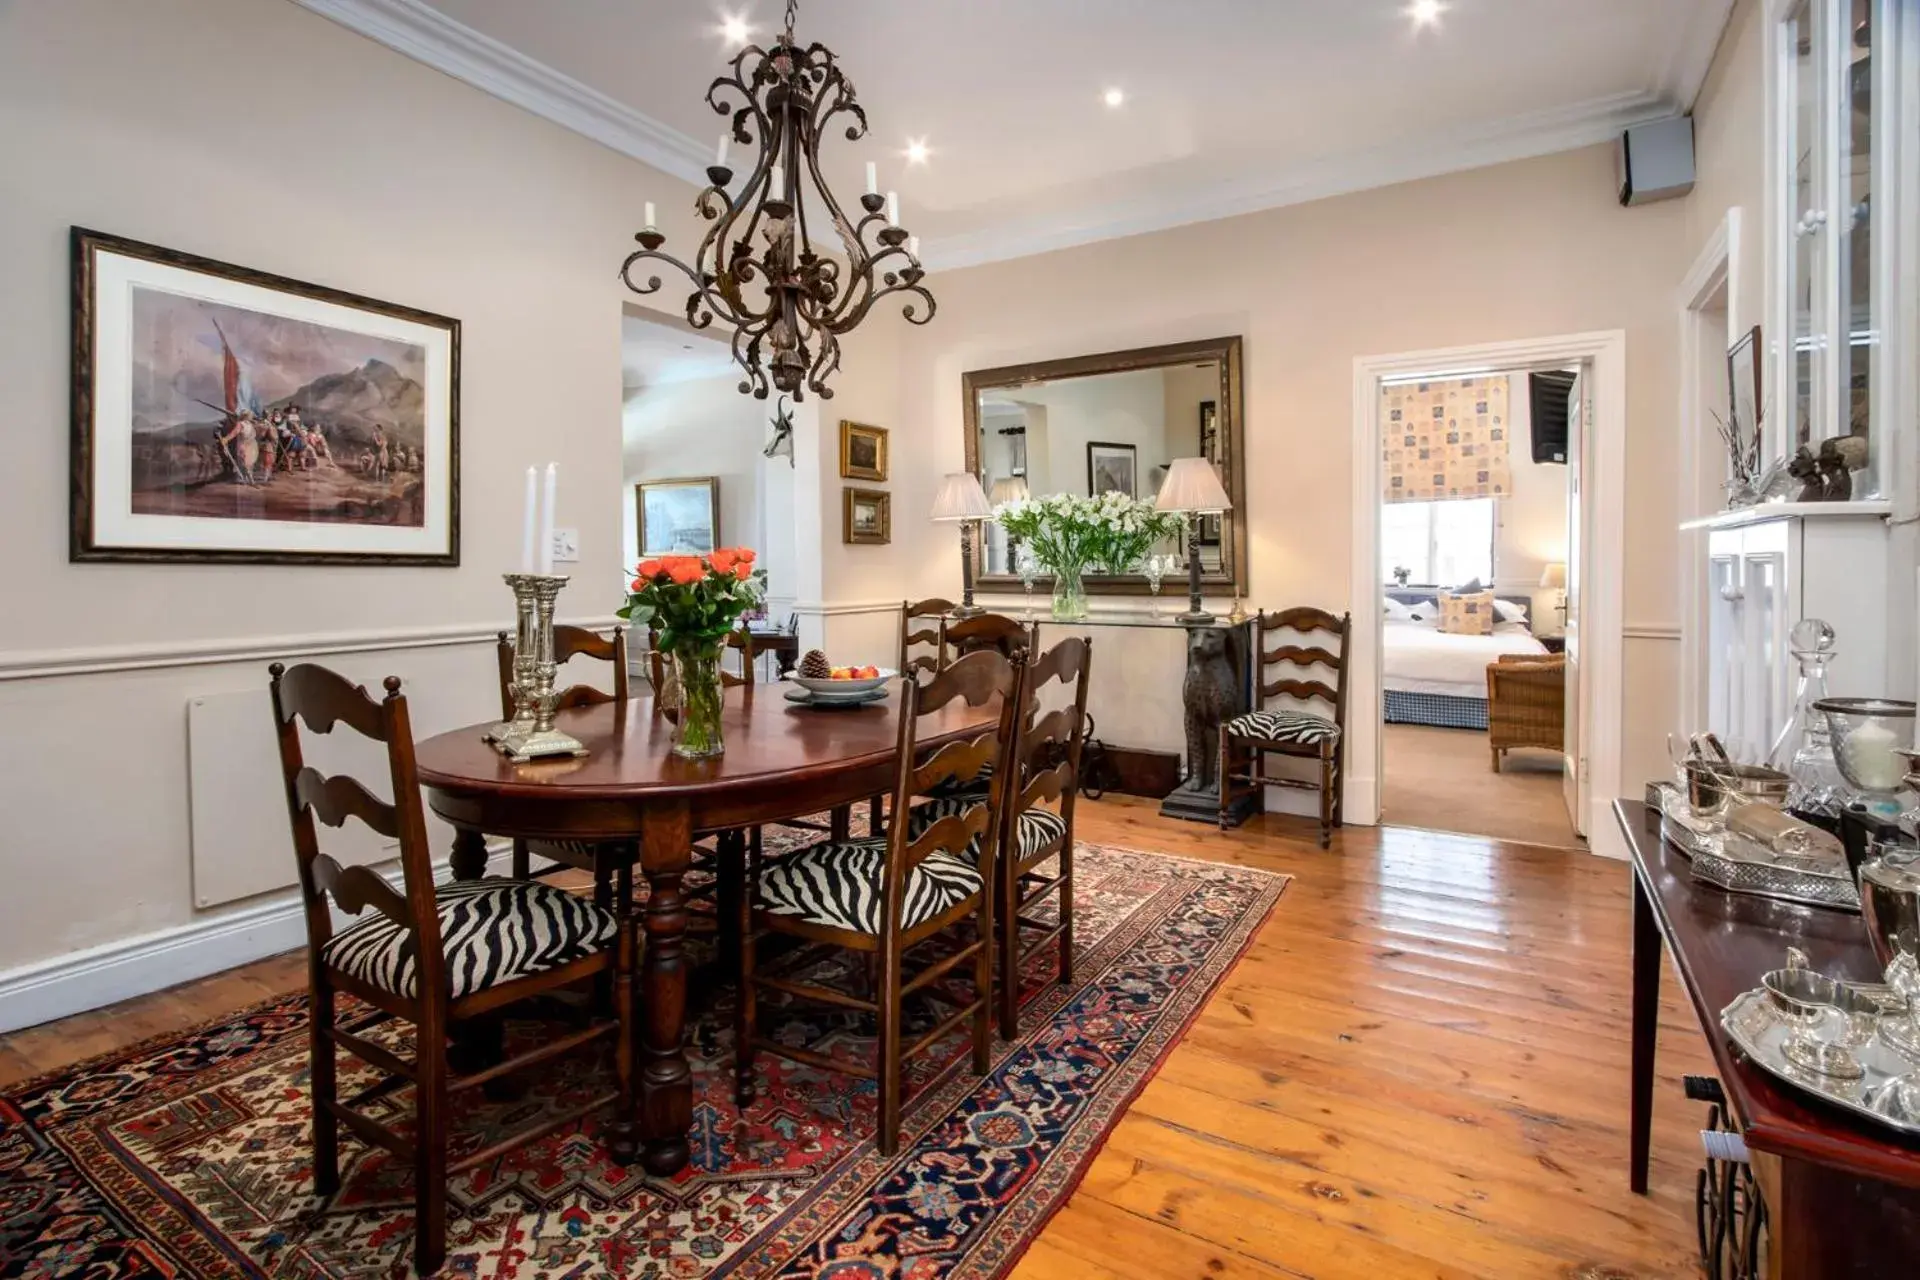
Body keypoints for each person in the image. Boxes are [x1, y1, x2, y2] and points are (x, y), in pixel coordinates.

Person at [218, 410, 260, 485]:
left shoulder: (250, 424)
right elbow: (234, 433)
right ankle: (247, 479)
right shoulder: (241, 424)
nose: (251, 416)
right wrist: (226, 439)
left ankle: (247, 478)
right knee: (244, 463)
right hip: (243, 445)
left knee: (249, 463)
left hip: (251, 445)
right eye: (250, 415)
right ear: (246, 416)